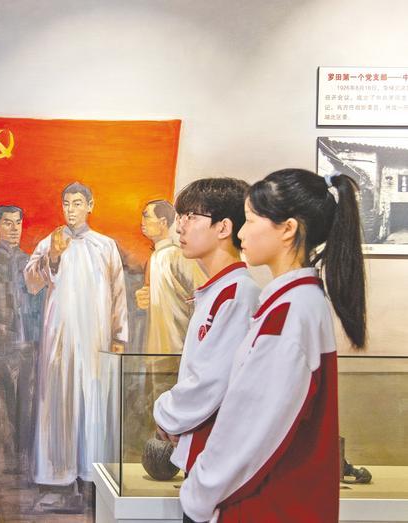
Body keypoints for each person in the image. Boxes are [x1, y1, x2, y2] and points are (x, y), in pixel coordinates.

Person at [180, 169, 366, 522]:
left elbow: (250, 427)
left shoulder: (289, 313)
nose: (242, 232)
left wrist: (200, 492)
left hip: (267, 503)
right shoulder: (292, 304)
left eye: (250, 220)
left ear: (287, 229)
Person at [25, 182, 128, 497]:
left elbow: (118, 292)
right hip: (61, 333)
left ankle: (91, 470)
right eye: (67, 203)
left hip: (96, 335)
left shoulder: (105, 245)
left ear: (90, 205)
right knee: (59, 396)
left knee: (93, 395)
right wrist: (53, 257)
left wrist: (119, 335)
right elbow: (31, 282)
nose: (71, 210)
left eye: (78, 203)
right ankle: (57, 471)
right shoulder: (50, 242)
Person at [153, 179, 260, 477]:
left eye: (191, 217)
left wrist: (166, 413)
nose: (180, 228)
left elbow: (212, 380)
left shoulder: (237, 293)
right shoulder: (217, 291)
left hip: (219, 452)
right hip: (204, 449)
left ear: (224, 228)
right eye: (180, 217)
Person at [0, 205, 42, 475]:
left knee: (27, 405)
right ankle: (2, 464)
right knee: (0, 405)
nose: (14, 228)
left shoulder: (30, 262)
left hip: (27, 344)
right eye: (8, 223)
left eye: (18, 222)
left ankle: (25, 461)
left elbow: (39, 304)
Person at [136, 199, 206, 353]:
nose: (142, 222)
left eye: (146, 216)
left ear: (162, 222)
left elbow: (204, 293)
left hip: (177, 348)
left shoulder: (177, 255)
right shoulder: (154, 258)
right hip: (154, 349)